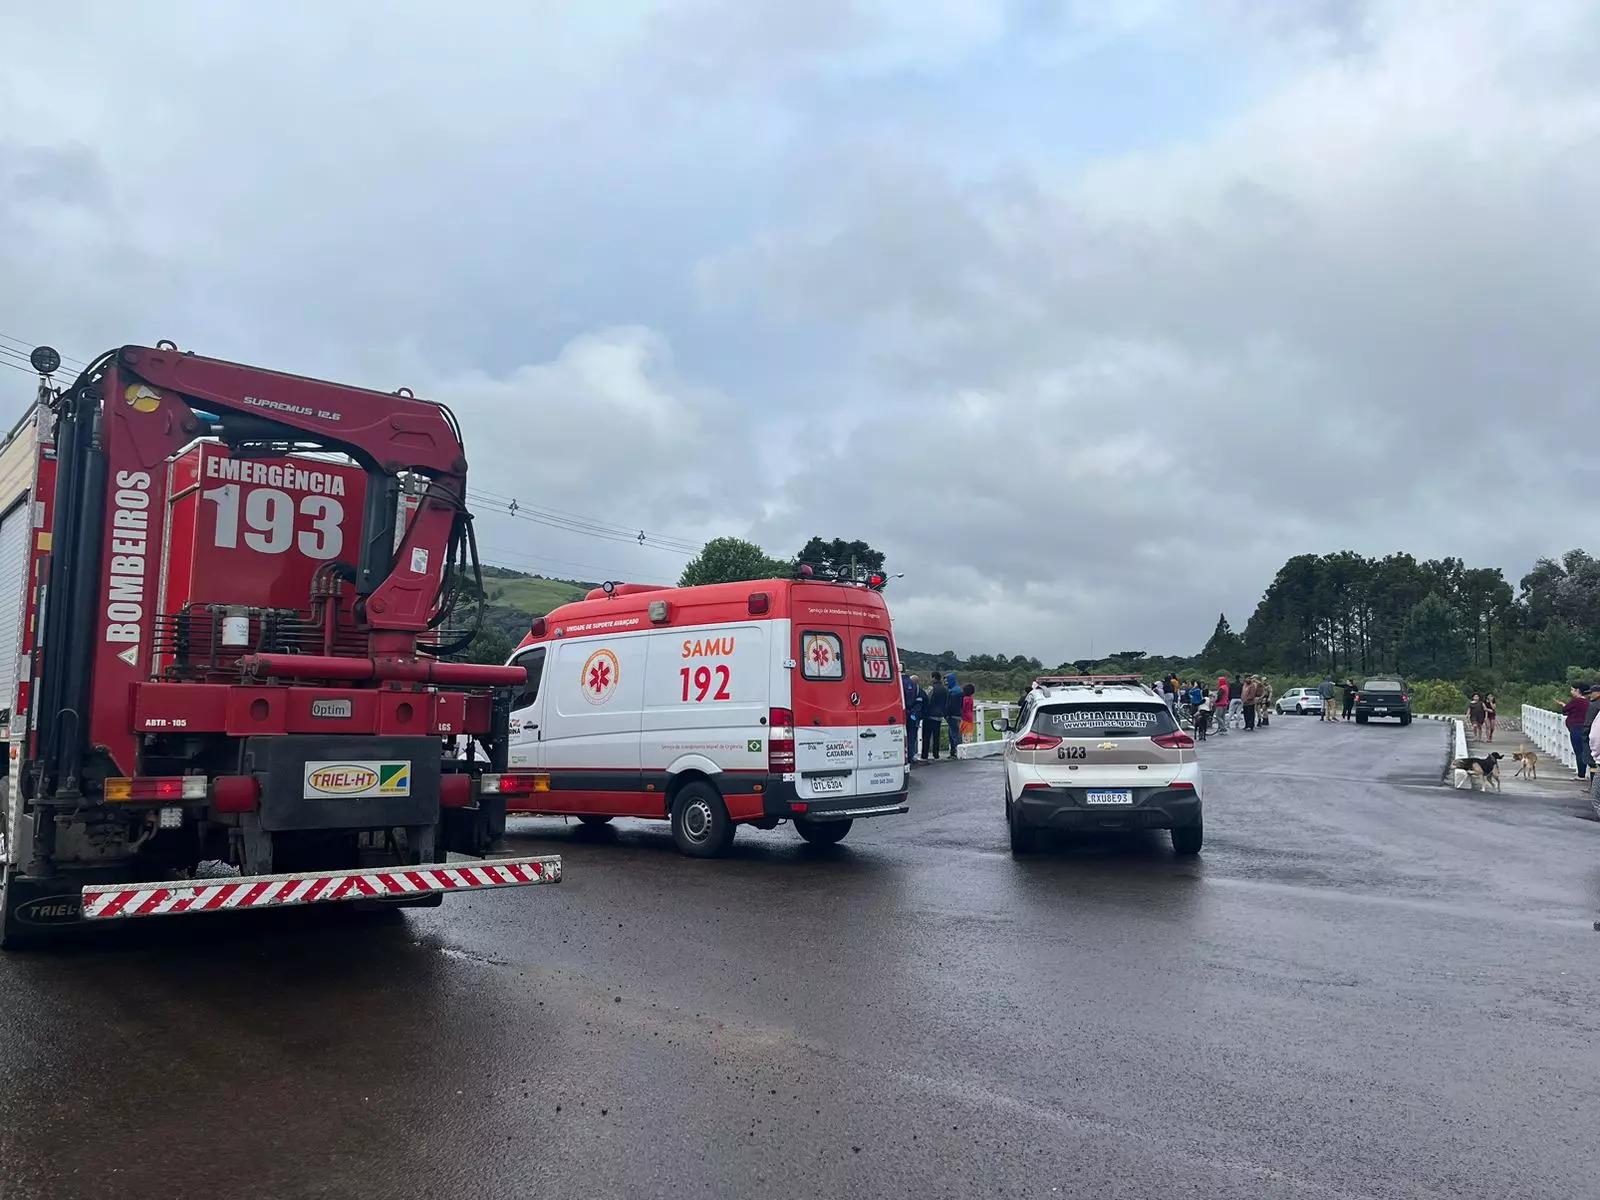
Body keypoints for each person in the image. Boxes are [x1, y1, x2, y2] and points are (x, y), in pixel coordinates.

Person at [1561, 685, 1589, 779]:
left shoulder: (1576, 701)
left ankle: (1581, 774)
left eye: (1572, 690)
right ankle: (1583, 772)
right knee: (1583, 750)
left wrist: (1564, 705)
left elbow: (1565, 710)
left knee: (1579, 751)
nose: (1571, 692)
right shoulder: (1587, 702)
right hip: (1585, 728)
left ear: (1578, 690)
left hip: (1576, 728)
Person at [923, 673, 948, 761]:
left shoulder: (931, 688)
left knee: (926, 736)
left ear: (934, 678)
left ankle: (924, 755)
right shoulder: (945, 689)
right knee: (936, 736)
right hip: (939, 715)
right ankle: (936, 754)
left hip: (929, 715)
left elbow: (927, 700)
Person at [903, 673, 924, 765]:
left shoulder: (900, 683)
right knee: (912, 737)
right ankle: (911, 756)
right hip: (913, 715)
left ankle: (904, 757)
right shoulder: (917, 688)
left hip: (902, 714)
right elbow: (921, 701)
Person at [944, 672, 963, 753]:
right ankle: (954, 751)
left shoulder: (952, 691)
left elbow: (949, 705)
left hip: (952, 715)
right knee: (954, 734)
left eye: (946, 681)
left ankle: (957, 751)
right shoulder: (959, 690)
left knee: (954, 735)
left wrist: (946, 714)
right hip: (958, 714)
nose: (945, 683)